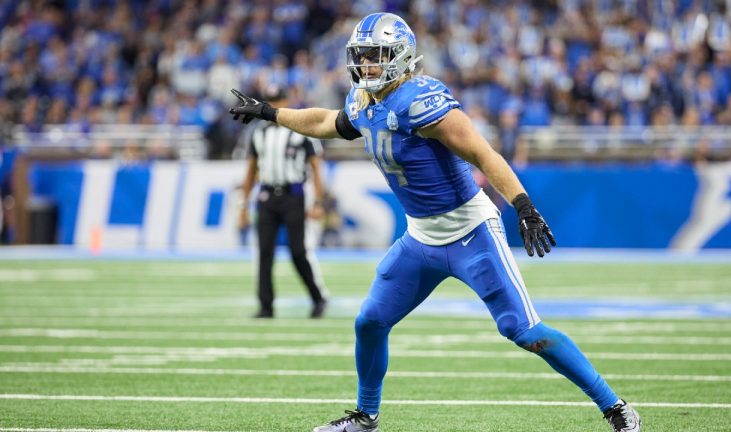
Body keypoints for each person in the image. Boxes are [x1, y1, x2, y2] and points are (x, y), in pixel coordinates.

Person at [229, 13, 641, 432]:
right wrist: (269, 112)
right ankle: (365, 416)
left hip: (471, 233)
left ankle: (615, 407)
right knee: (369, 322)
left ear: (401, 57)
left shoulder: (421, 100)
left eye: (376, 56)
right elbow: (323, 123)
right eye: (362, 56)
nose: (366, 65)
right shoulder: (362, 101)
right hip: (420, 238)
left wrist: (523, 206)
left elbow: (484, 154)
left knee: (524, 330)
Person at [237, 85, 329, 319]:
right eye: (270, 100)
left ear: (286, 99)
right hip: (266, 196)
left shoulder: (300, 130)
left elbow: (316, 167)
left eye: (278, 99)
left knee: (298, 251)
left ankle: (318, 298)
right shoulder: (258, 133)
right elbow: (250, 170)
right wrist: (243, 205)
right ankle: (265, 306)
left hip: (293, 195)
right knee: (264, 252)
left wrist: (318, 202)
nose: (274, 104)